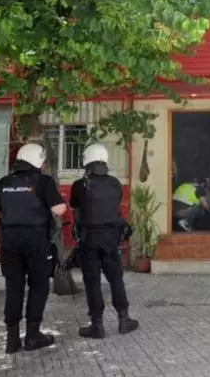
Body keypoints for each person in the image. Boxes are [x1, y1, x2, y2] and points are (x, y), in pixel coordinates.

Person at [0, 143, 67, 354]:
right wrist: (60, 202)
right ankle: (33, 335)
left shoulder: (3, 182)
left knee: (14, 287)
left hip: (9, 240)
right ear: (37, 160)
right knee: (39, 286)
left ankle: (12, 339)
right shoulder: (44, 181)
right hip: (36, 240)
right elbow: (59, 210)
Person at [70, 143, 139, 339]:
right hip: (110, 239)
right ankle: (124, 319)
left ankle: (97, 325)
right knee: (116, 278)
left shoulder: (79, 185)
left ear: (87, 162)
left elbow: (75, 207)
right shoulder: (116, 184)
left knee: (92, 281)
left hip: (89, 239)